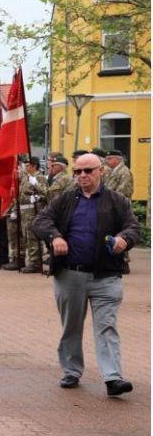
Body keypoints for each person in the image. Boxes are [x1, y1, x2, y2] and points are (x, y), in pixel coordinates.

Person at [32, 153, 142, 397]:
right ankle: (71, 370)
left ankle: (113, 378)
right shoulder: (65, 199)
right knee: (71, 326)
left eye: (88, 170)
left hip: (106, 276)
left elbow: (133, 226)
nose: (82, 176)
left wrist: (124, 239)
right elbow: (40, 221)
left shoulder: (117, 200)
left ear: (100, 170)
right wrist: (55, 237)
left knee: (107, 326)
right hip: (71, 275)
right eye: (78, 172)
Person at [4, 157, 47, 273]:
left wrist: (36, 194)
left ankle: (36, 262)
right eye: (25, 165)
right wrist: (15, 209)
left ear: (34, 166)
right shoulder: (25, 178)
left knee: (32, 237)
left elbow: (45, 193)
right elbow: (20, 196)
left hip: (33, 212)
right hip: (23, 211)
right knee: (26, 237)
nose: (26, 167)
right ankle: (30, 260)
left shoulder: (39, 177)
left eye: (28, 165)